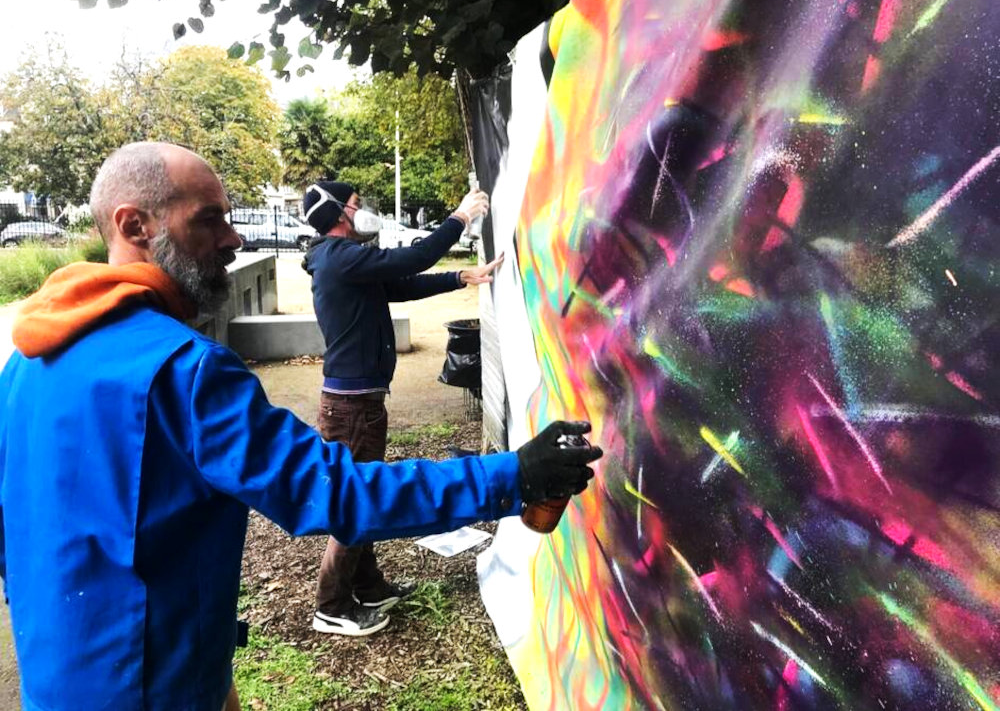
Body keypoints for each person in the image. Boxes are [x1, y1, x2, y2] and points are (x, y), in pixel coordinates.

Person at [0, 142, 602, 711]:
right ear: (136, 227)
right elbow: (337, 492)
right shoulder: (184, 370)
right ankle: (339, 600)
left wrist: (207, 661)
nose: (234, 239)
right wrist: (513, 474)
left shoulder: (27, 360)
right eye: (210, 219)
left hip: (62, 674)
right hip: (148, 687)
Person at [301, 181, 504, 636]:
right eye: (356, 205)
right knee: (355, 502)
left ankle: (369, 586)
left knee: (364, 493)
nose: (363, 211)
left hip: (356, 402)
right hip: (352, 407)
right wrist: (460, 218)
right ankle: (331, 604)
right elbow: (410, 258)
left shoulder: (344, 263)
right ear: (339, 214)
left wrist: (460, 278)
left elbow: (400, 284)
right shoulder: (341, 257)